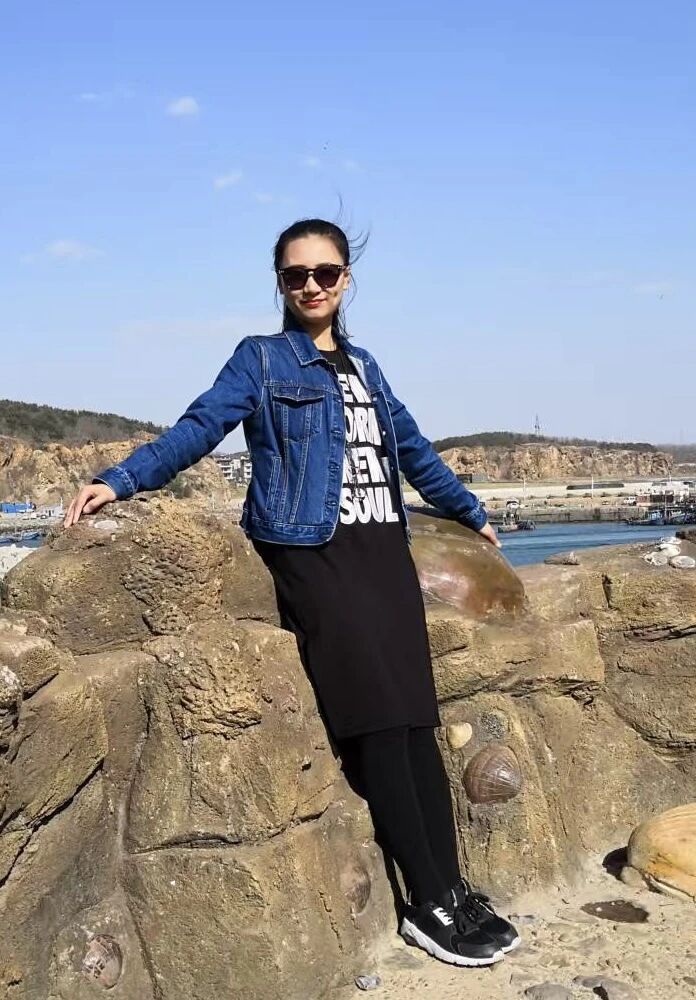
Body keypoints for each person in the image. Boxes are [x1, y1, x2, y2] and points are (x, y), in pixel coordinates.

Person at [63, 218, 519, 968]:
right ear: (279, 283)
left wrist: (470, 511)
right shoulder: (262, 359)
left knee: (415, 724)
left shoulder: (367, 367)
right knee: (378, 725)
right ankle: (426, 902)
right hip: (316, 555)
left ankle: (453, 887)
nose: (311, 285)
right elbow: (200, 426)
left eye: (325, 273)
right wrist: (121, 479)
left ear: (346, 279)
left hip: (384, 553)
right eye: (296, 274)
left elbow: (413, 452)